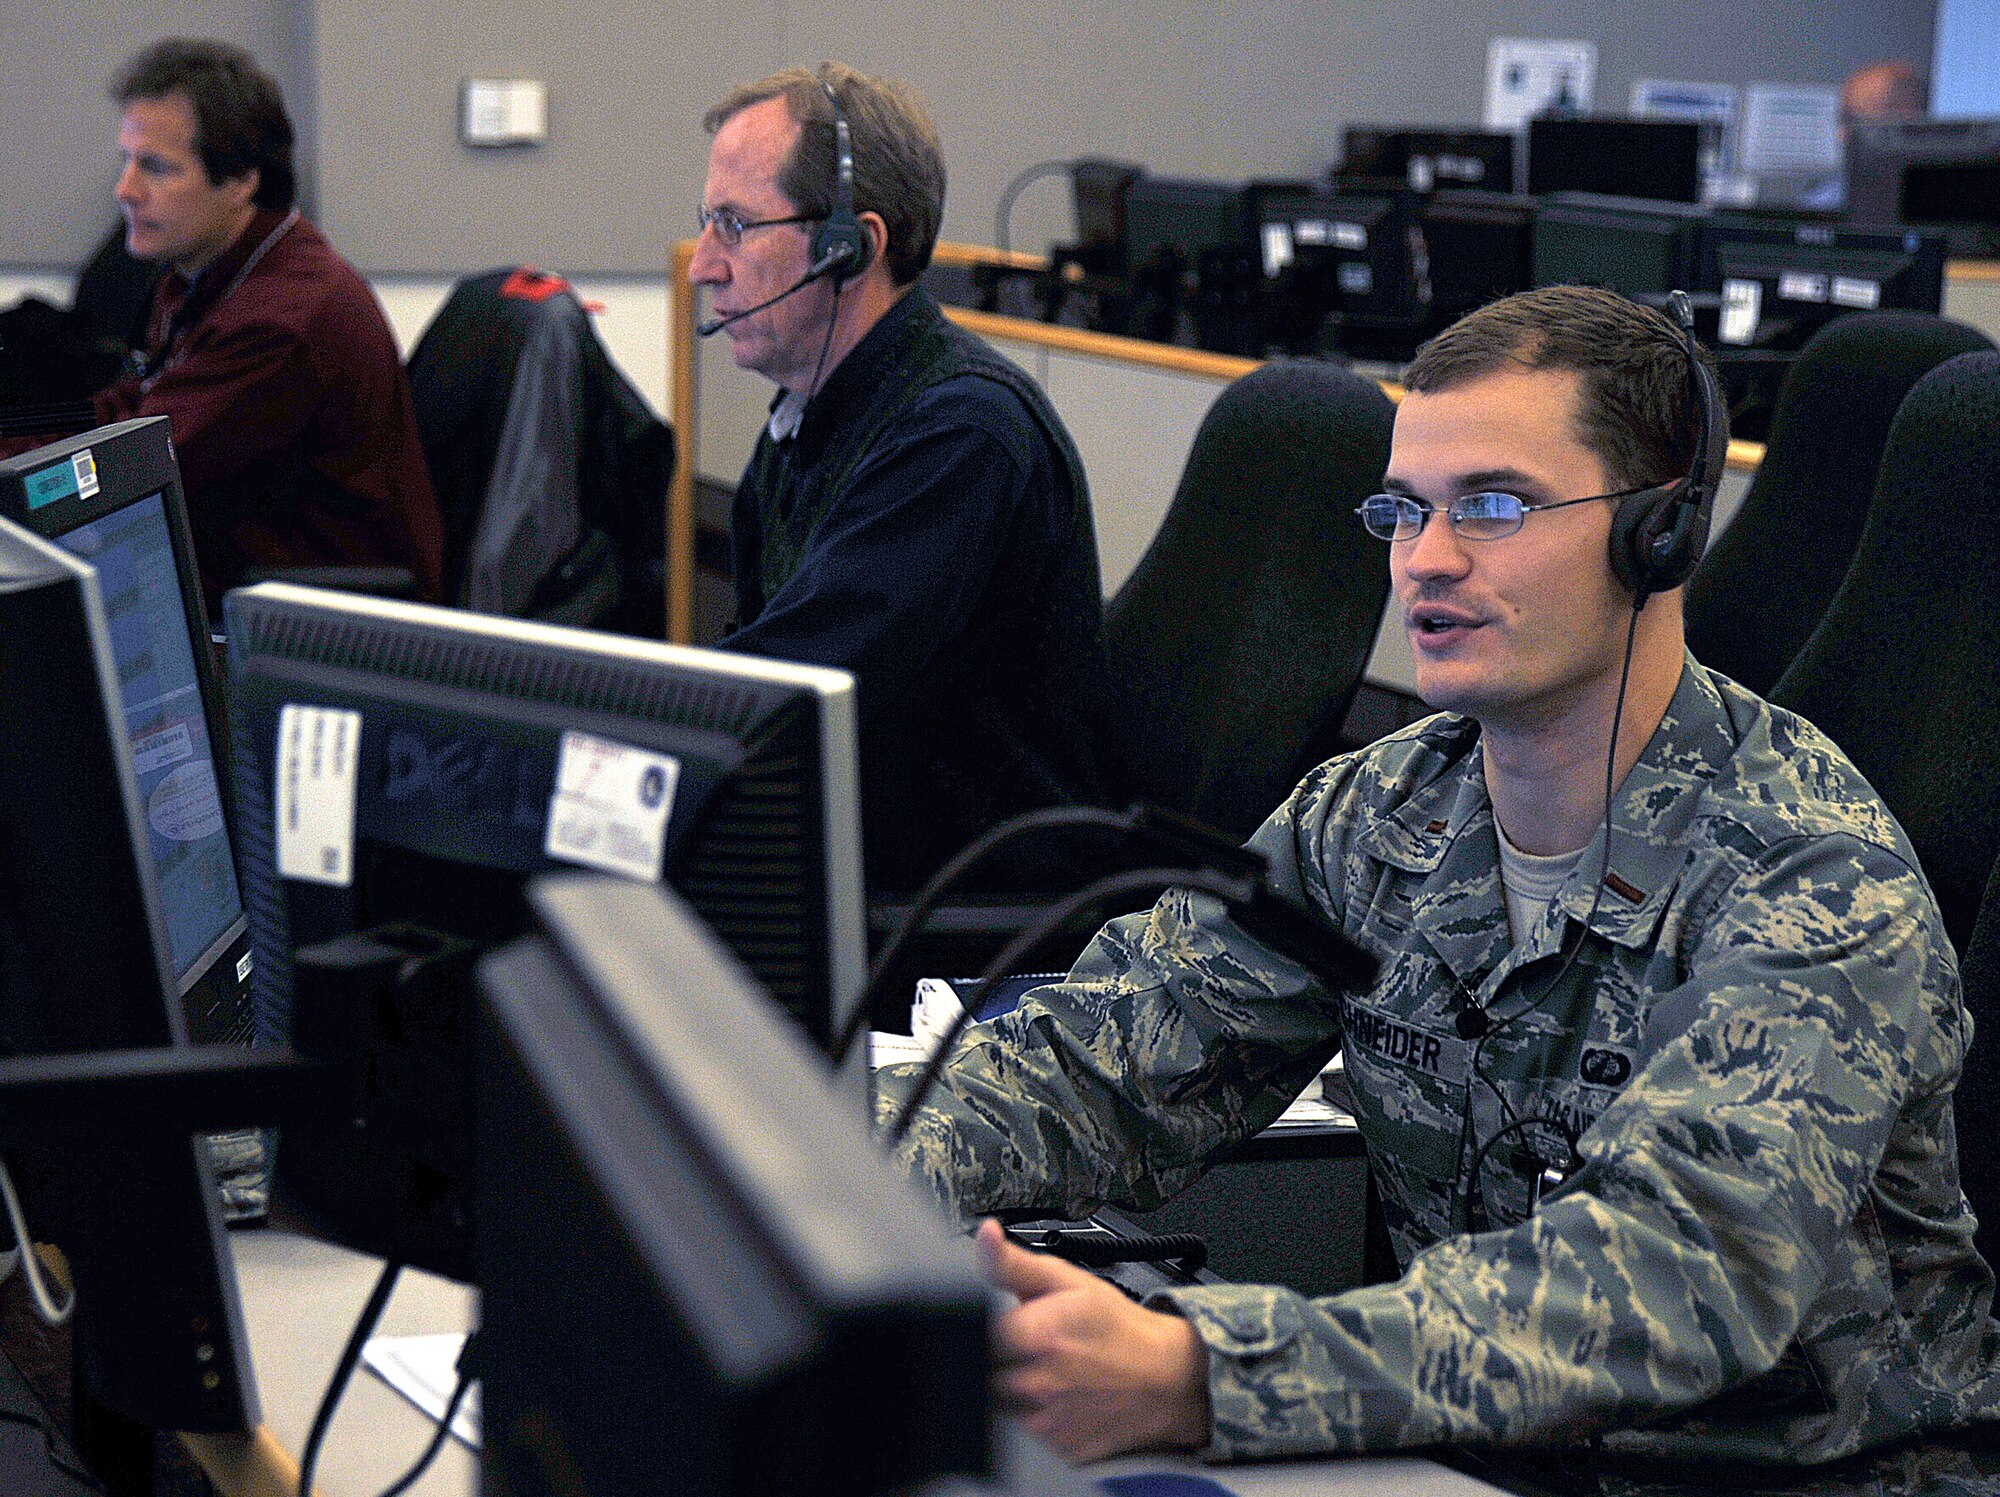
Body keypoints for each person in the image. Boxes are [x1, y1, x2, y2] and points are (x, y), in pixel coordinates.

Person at [877, 285, 2000, 1491]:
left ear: (1659, 529)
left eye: (1494, 505)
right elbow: (1100, 1057)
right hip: (1472, 1462)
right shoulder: (1374, 815)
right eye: (1403, 512)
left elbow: (1669, 1277)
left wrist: (1201, 1375)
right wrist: (853, 1192)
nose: (1427, 559)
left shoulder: (1809, 875)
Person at [691, 63, 1108, 892]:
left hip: (955, 930)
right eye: (706, 224)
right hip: (844, 874)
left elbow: (783, 695)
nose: (704, 264)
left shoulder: (961, 436)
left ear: (852, 249)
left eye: (735, 227)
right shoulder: (802, 418)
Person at [95, 39, 442, 605]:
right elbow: (135, 411)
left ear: (240, 182)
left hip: (317, 626)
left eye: (155, 167)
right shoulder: (208, 271)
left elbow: (134, 469)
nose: (125, 190)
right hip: (245, 579)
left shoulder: (284, 317)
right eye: (127, 162)